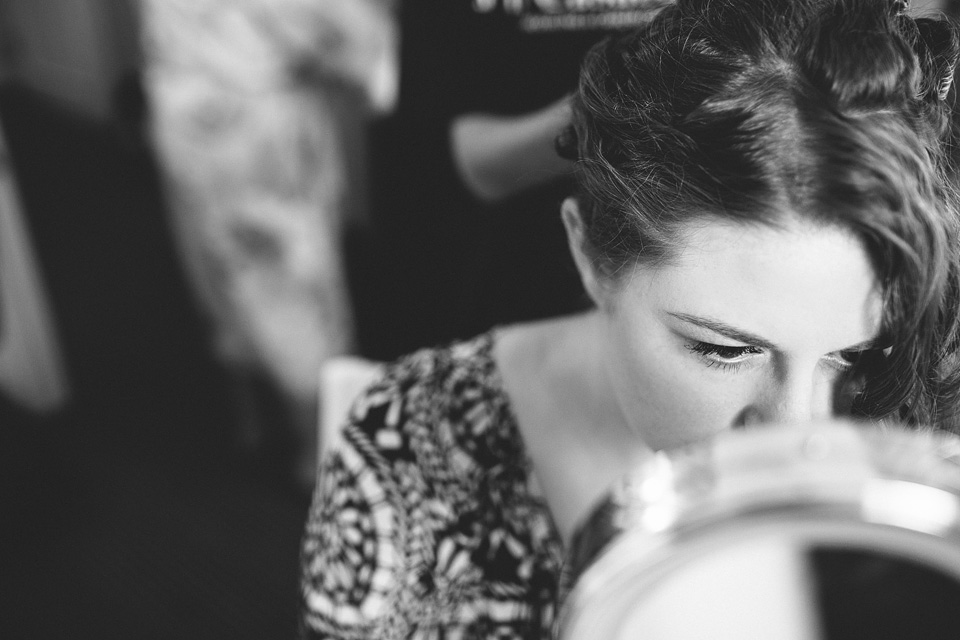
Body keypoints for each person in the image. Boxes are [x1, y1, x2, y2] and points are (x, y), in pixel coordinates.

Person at [299, 0, 960, 637]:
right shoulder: (403, 448)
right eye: (725, 351)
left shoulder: (927, 434)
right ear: (590, 254)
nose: (796, 433)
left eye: (856, 355)